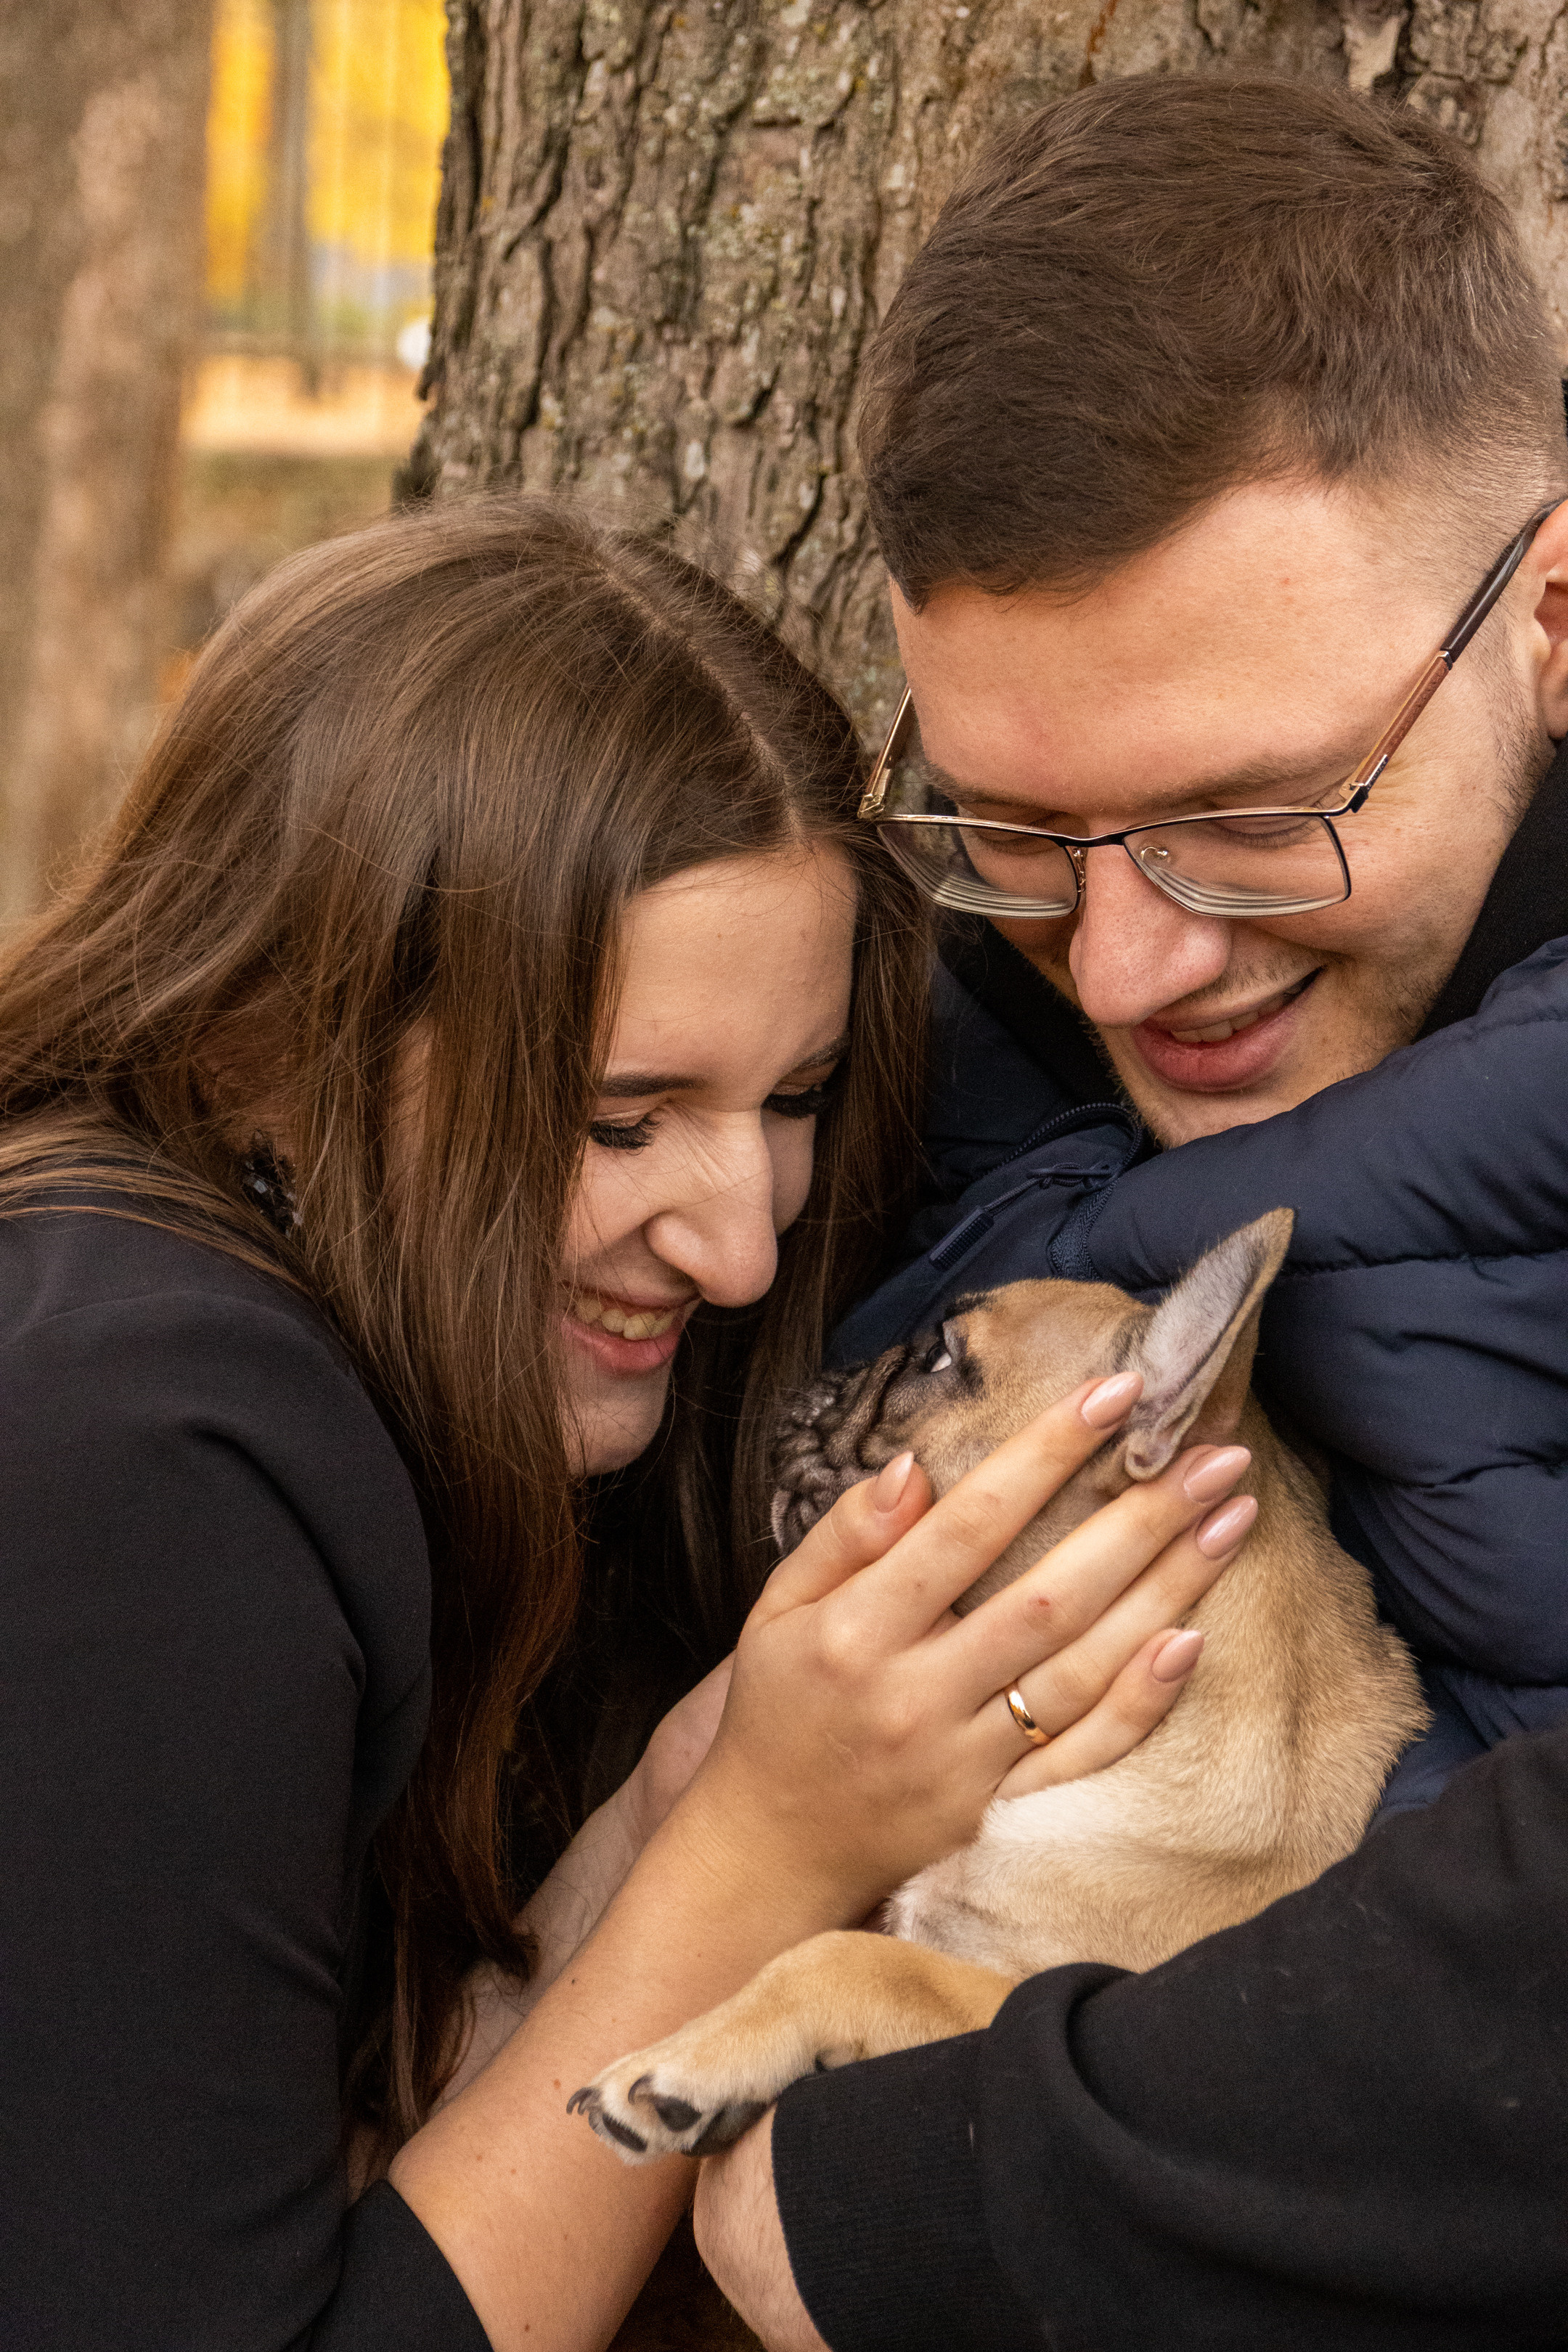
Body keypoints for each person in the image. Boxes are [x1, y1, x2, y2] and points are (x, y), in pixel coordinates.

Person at [0, 497, 1259, 2350]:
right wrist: (768, 1844)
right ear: (266, 1035)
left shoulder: (296, 1348)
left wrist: (698, 1779)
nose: (744, 1248)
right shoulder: (131, 1456)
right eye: (619, 1121)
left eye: (796, 1097)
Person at [692, 73, 1568, 2346]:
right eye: (1022, 834)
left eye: (1254, 818)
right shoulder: (903, 1058)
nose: (1130, 968)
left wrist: (928, 2196)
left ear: (1552, 619)